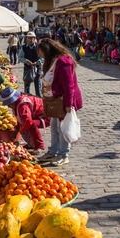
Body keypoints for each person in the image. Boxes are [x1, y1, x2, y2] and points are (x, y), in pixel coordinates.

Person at [36, 38, 82, 166]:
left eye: (42, 53)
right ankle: (53, 151)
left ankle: (63, 154)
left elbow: (69, 86)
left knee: (62, 128)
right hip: (55, 100)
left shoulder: (64, 62)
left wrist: (68, 104)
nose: (42, 55)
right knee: (55, 127)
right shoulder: (52, 61)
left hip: (63, 100)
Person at [0, 87, 49, 154]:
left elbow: (27, 121)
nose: (8, 106)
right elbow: (20, 118)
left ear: (13, 101)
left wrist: (21, 130)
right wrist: (16, 129)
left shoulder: (23, 105)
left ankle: (40, 146)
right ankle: (32, 143)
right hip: (35, 116)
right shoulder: (17, 104)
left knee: (32, 124)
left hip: (48, 116)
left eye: (9, 104)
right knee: (25, 125)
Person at [19, 31, 42, 96]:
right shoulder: (24, 47)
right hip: (27, 67)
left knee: (37, 83)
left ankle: (38, 97)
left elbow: (43, 57)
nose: (30, 40)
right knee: (27, 83)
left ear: (34, 39)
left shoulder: (38, 47)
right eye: (28, 38)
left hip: (37, 67)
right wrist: (26, 61)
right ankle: (27, 97)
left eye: (31, 38)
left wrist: (37, 62)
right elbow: (20, 57)